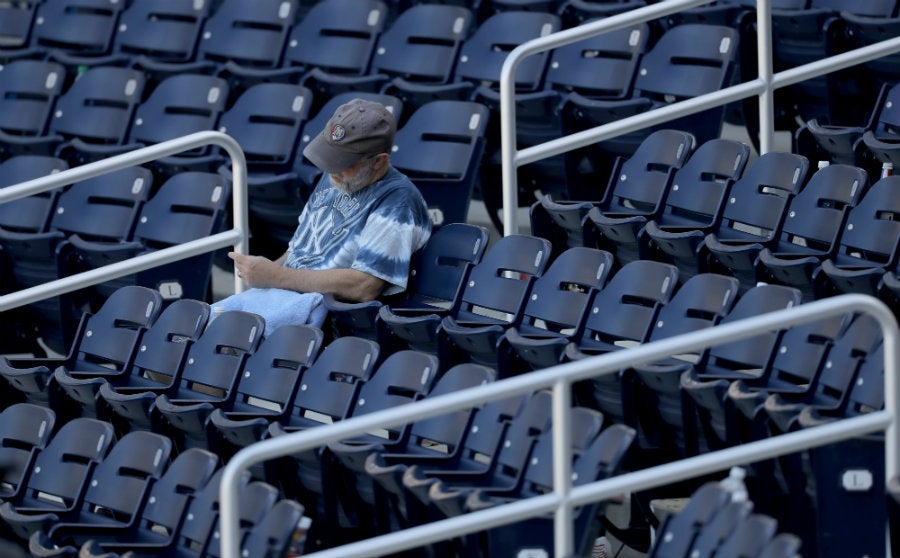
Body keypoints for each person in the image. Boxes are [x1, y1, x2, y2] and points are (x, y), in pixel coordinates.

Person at [212, 98, 432, 334]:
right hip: (288, 301)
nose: (330, 169)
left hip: (337, 320)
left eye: (342, 162)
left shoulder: (398, 200)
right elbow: (302, 251)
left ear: (378, 162)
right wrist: (263, 273)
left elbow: (364, 285)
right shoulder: (335, 178)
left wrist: (276, 276)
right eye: (329, 157)